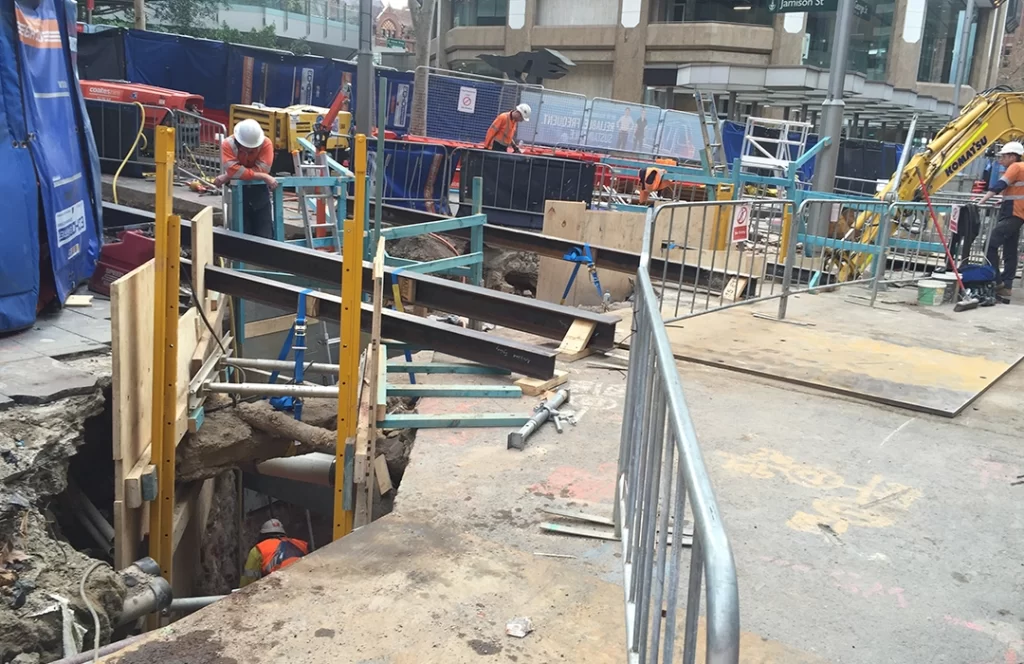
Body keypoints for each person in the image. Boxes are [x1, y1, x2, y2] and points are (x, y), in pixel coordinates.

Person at [975, 141, 1024, 300]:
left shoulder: (1016, 167)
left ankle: (996, 281)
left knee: (989, 244)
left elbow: (1000, 184)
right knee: (1010, 249)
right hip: (1016, 212)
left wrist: (982, 200)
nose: (1000, 160)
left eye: (1003, 156)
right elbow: (1015, 190)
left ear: (1012, 156)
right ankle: (1007, 286)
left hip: (1013, 213)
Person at [215, 119, 278, 239]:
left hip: (258, 191)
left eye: (253, 149)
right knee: (242, 234)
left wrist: (229, 175)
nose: (250, 151)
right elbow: (236, 171)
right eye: (246, 148)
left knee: (265, 235)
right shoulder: (228, 145)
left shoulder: (266, 144)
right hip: (238, 192)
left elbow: (263, 169)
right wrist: (264, 177)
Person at [240, 519, 309, 588]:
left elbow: (248, 580)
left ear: (263, 535)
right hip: (304, 579)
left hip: (281, 585)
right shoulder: (301, 544)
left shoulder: (259, 549)